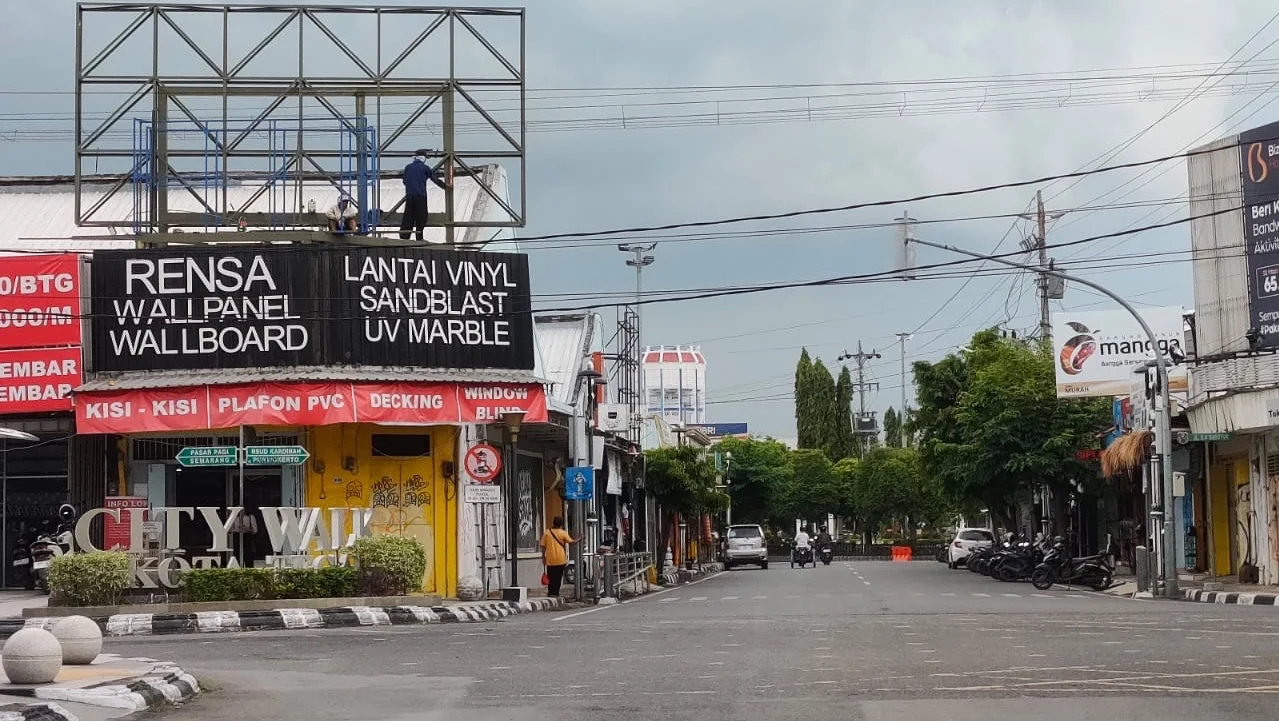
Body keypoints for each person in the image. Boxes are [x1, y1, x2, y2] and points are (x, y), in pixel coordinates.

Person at [400, 150, 450, 241]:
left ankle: (404, 237)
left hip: (410, 196)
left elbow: (404, 181)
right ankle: (419, 237)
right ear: (423, 158)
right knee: (421, 216)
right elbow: (434, 179)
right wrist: (445, 187)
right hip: (420, 196)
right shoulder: (425, 168)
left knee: (408, 216)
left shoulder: (408, 167)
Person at [539, 516, 580, 597]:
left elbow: (543, 546)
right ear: (561, 524)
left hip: (550, 559)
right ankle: (556, 592)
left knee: (551, 577)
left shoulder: (547, 532)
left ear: (553, 523)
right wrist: (580, 538)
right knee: (558, 577)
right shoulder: (563, 533)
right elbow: (572, 542)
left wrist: (543, 557)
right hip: (560, 559)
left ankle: (551, 592)